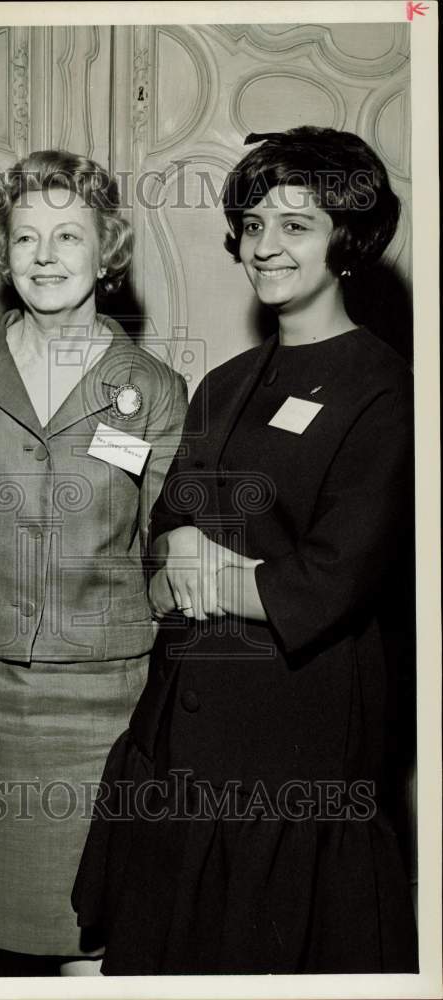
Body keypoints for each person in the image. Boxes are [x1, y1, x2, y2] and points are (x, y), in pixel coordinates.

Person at [72, 126, 418, 974]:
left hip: (292, 745)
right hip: (179, 728)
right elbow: (161, 540)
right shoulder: (226, 381)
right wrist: (181, 558)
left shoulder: (386, 391)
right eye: (254, 224)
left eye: (295, 225)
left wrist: (207, 570)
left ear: (350, 240)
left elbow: (333, 580)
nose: (264, 247)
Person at [0, 150, 187, 975]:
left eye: (68, 236)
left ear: (108, 252)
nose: (46, 256)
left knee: (92, 919)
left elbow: (164, 542)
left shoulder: (153, 388)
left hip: (105, 694)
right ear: (5, 252)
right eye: (26, 237)